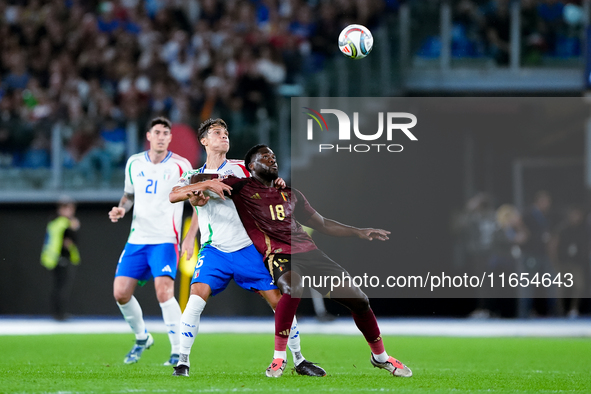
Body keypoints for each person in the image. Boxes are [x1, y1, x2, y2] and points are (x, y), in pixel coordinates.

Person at [195, 144, 412, 378]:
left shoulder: (290, 193)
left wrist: (358, 231)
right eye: (265, 157)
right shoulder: (241, 187)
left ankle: (380, 357)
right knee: (293, 286)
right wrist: (208, 183)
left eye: (274, 156)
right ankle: (279, 358)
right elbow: (197, 177)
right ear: (251, 167)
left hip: (311, 254)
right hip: (279, 255)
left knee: (359, 300)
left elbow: (323, 224)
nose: (272, 160)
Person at [168, 118, 325, 378]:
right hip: (214, 250)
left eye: (226, 132)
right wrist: (203, 189)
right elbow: (174, 194)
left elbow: (272, 182)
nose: (224, 136)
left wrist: (278, 184)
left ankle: (299, 359)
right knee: (196, 298)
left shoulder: (243, 168)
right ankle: (182, 362)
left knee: (279, 301)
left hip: (248, 248)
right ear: (204, 141)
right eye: (217, 132)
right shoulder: (193, 175)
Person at [108, 116, 193, 365]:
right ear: (148, 136)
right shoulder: (134, 163)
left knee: (164, 292)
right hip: (137, 239)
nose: (161, 137)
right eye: (157, 132)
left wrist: (189, 237)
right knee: (120, 293)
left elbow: (198, 202)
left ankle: (178, 351)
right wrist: (122, 209)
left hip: (166, 240)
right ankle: (142, 337)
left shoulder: (180, 165)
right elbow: (128, 195)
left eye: (166, 133)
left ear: (170, 137)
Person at [41, 196, 81, 321]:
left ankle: (60, 313)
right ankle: (59, 314)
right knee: (60, 287)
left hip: (60, 258)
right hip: (60, 258)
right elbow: (67, 240)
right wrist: (72, 228)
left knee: (61, 287)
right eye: (67, 208)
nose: (70, 211)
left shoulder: (57, 222)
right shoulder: (62, 223)